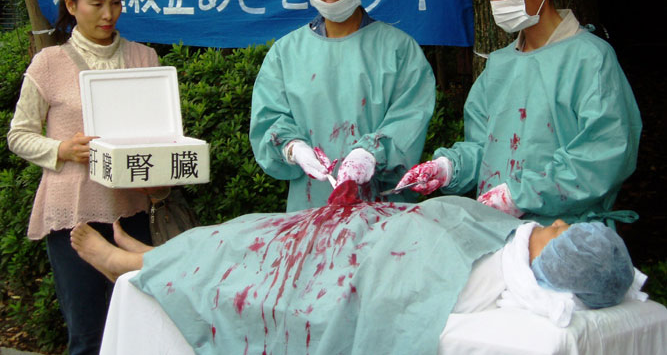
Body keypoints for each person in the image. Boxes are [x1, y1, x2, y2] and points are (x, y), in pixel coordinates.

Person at [70, 195, 640, 354]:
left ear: (556, 266)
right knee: (253, 230)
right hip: (352, 229)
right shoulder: (509, 239)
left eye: (566, 233)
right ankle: (149, 257)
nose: (562, 220)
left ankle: (135, 263)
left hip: (345, 256)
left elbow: (400, 284)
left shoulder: (490, 273)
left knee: (247, 250)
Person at [396, 0, 642, 226]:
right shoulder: (501, 64)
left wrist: (522, 194)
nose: (497, 2)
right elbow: (484, 148)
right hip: (497, 232)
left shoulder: (590, 59)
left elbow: (603, 156)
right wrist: (449, 167)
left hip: (564, 235)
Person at [7, 0, 159, 355]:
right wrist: (61, 148)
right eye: (97, 3)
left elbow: (161, 134)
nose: (108, 14)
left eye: (116, 2)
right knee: (89, 334)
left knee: (136, 327)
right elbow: (18, 136)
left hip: (132, 210)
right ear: (71, 5)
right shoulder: (49, 63)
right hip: (72, 213)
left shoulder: (145, 59)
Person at [250, 0, 436, 211]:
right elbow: (268, 121)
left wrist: (371, 153)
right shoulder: (286, 54)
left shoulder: (399, 50)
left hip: (383, 207)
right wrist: (291, 147)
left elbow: (410, 117)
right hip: (311, 205)